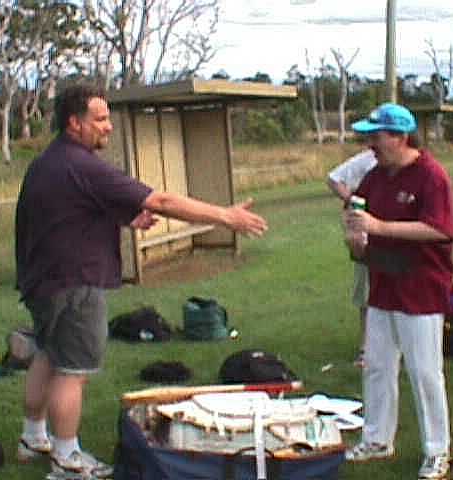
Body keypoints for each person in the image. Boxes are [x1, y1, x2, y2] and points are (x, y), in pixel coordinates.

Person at [15, 85, 268, 478]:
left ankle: (33, 436)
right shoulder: (83, 164)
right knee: (72, 370)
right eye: (100, 119)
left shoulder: (50, 162)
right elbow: (162, 201)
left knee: (48, 355)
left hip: (44, 282)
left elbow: (67, 213)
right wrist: (225, 216)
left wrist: (125, 219)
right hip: (74, 285)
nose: (108, 127)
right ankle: (67, 460)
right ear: (74, 123)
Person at [343, 103, 453, 480]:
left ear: (400, 137)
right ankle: (377, 439)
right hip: (384, 285)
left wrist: (380, 226)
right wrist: (358, 239)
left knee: (424, 372)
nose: (370, 144)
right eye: (369, 137)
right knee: (377, 365)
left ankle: (437, 451)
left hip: (422, 288)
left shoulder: (431, 175)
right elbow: (359, 217)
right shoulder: (375, 177)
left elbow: (439, 230)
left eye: (376, 137)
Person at [327, 149, 377, 367]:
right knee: (367, 295)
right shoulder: (365, 160)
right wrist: (353, 199)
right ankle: (366, 349)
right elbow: (334, 179)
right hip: (365, 234)